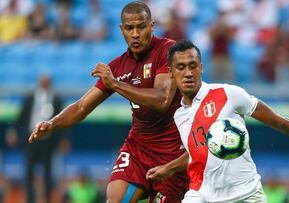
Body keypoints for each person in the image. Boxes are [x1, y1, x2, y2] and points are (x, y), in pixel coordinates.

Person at [146, 40, 289, 202]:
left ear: (201, 67)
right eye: (181, 67)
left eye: (192, 66)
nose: (188, 73)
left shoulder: (228, 94)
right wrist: (169, 168)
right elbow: (199, 152)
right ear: (171, 72)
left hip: (244, 195)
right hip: (201, 195)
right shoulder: (179, 115)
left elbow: (279, 121)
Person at [28, 1, 188, 202]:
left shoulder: (167, 51)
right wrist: (52, 124)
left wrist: (115, 84)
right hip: (138, 149)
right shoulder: (119, 66)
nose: (136, 34)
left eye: (141, 26)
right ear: (122, 30)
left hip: (172, 153)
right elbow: (82, 106)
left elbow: (162, 99)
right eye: (130, 28)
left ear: (152, 26)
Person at [5, 73, 64, 203]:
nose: (44, 83)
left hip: (48, 140)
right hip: (31, 138)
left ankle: (48, 199)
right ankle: (30, 199)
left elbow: (63, 119)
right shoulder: (30, 97)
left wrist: (64, 139)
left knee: (48, 173)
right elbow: (21, 117)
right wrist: (13, 131)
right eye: (42, 80)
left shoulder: (56, 98)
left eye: (46, 80)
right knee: (29, 172)